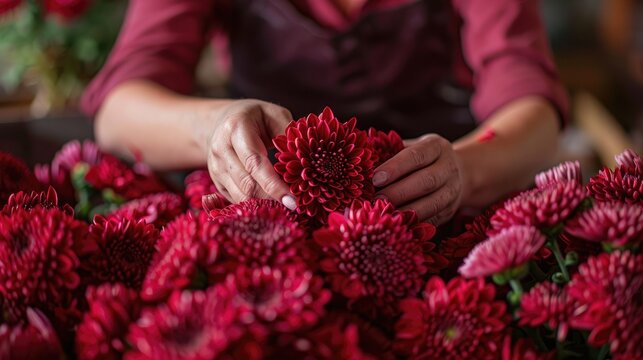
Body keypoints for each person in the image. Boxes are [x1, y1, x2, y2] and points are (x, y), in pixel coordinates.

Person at [82, 0, 568, 225]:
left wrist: (465, 169)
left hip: (436, 214)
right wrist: (213, 125)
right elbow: (119, 112)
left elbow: (532, 107)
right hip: (265, 219)